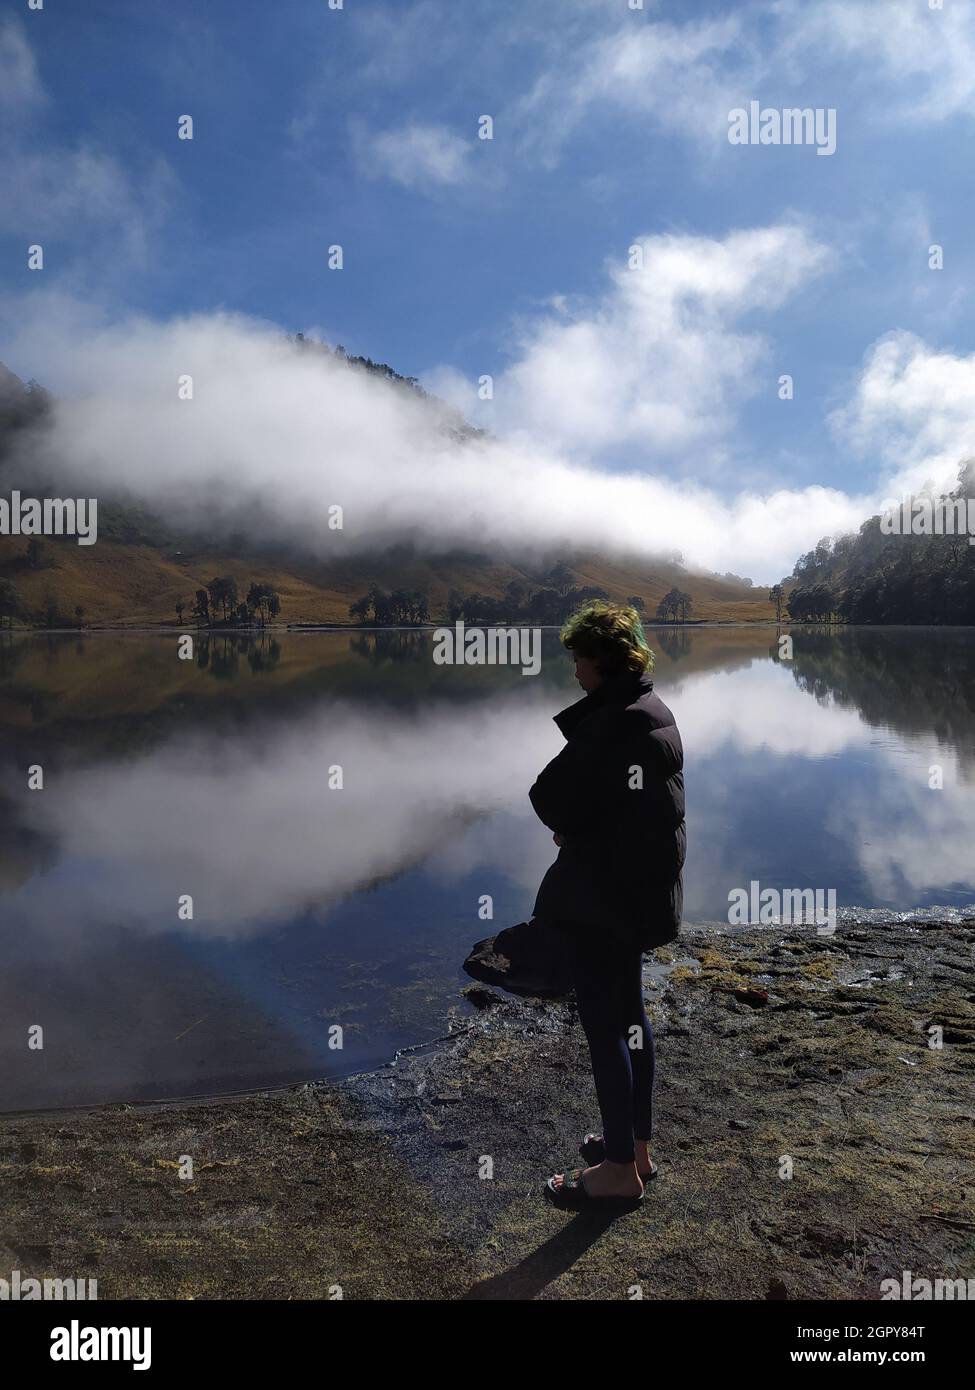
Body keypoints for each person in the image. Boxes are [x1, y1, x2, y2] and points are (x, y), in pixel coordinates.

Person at [528, 601, 685, 1209]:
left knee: (604, 1025)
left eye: (579, 659)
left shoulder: (613, 721)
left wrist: (575, 830)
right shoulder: (653, 709)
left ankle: (618, 1172)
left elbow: (550, 795)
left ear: (601, 660)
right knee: (631, 1018)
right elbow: (634, 807)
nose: (575, 673)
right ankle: (637, 1147)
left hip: (605, 897)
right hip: (640, 891)